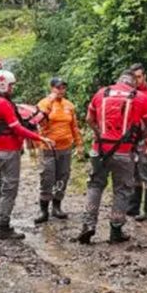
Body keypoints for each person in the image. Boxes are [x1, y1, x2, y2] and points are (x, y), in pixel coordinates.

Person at [78, 71, 147, 245]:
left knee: (95, 185)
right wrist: (140, 138)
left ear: (118, 81)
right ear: (132, 83)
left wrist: (99, 134)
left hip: (99, 150)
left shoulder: (101, 93)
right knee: (122, 189)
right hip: (124, 151)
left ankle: (88, 225)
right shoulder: (140, 97)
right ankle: (115, 230)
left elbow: (89, 119)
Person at [0, 69, 54, 239]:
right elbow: (17, 128)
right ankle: (4, 228)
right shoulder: (2, 103)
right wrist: (40, 138)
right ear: (3, 84)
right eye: (11, 85)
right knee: (9, 191)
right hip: (8, 152)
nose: (12, 88)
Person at [33, 77, 84, 224]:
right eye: (58, 87)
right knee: (47, 178)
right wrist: (50, 99)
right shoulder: (44, 103)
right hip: (48, 148)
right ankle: (43, 210)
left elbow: (74, 127)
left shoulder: (69, 105)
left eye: (63, 88)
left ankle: (57, 206)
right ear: (51, 88)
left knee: (62, 177)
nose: (61, 90)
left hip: (65, 148)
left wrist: (79, 144)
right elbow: (37, 121)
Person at [126, 63, 147, 221]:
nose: (137, 80)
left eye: (139, 77)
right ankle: (133, 207)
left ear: (144, 77)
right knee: (134, 174)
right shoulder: (131, 93)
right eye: (134, 78)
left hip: (144, 139)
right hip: (132, 140)